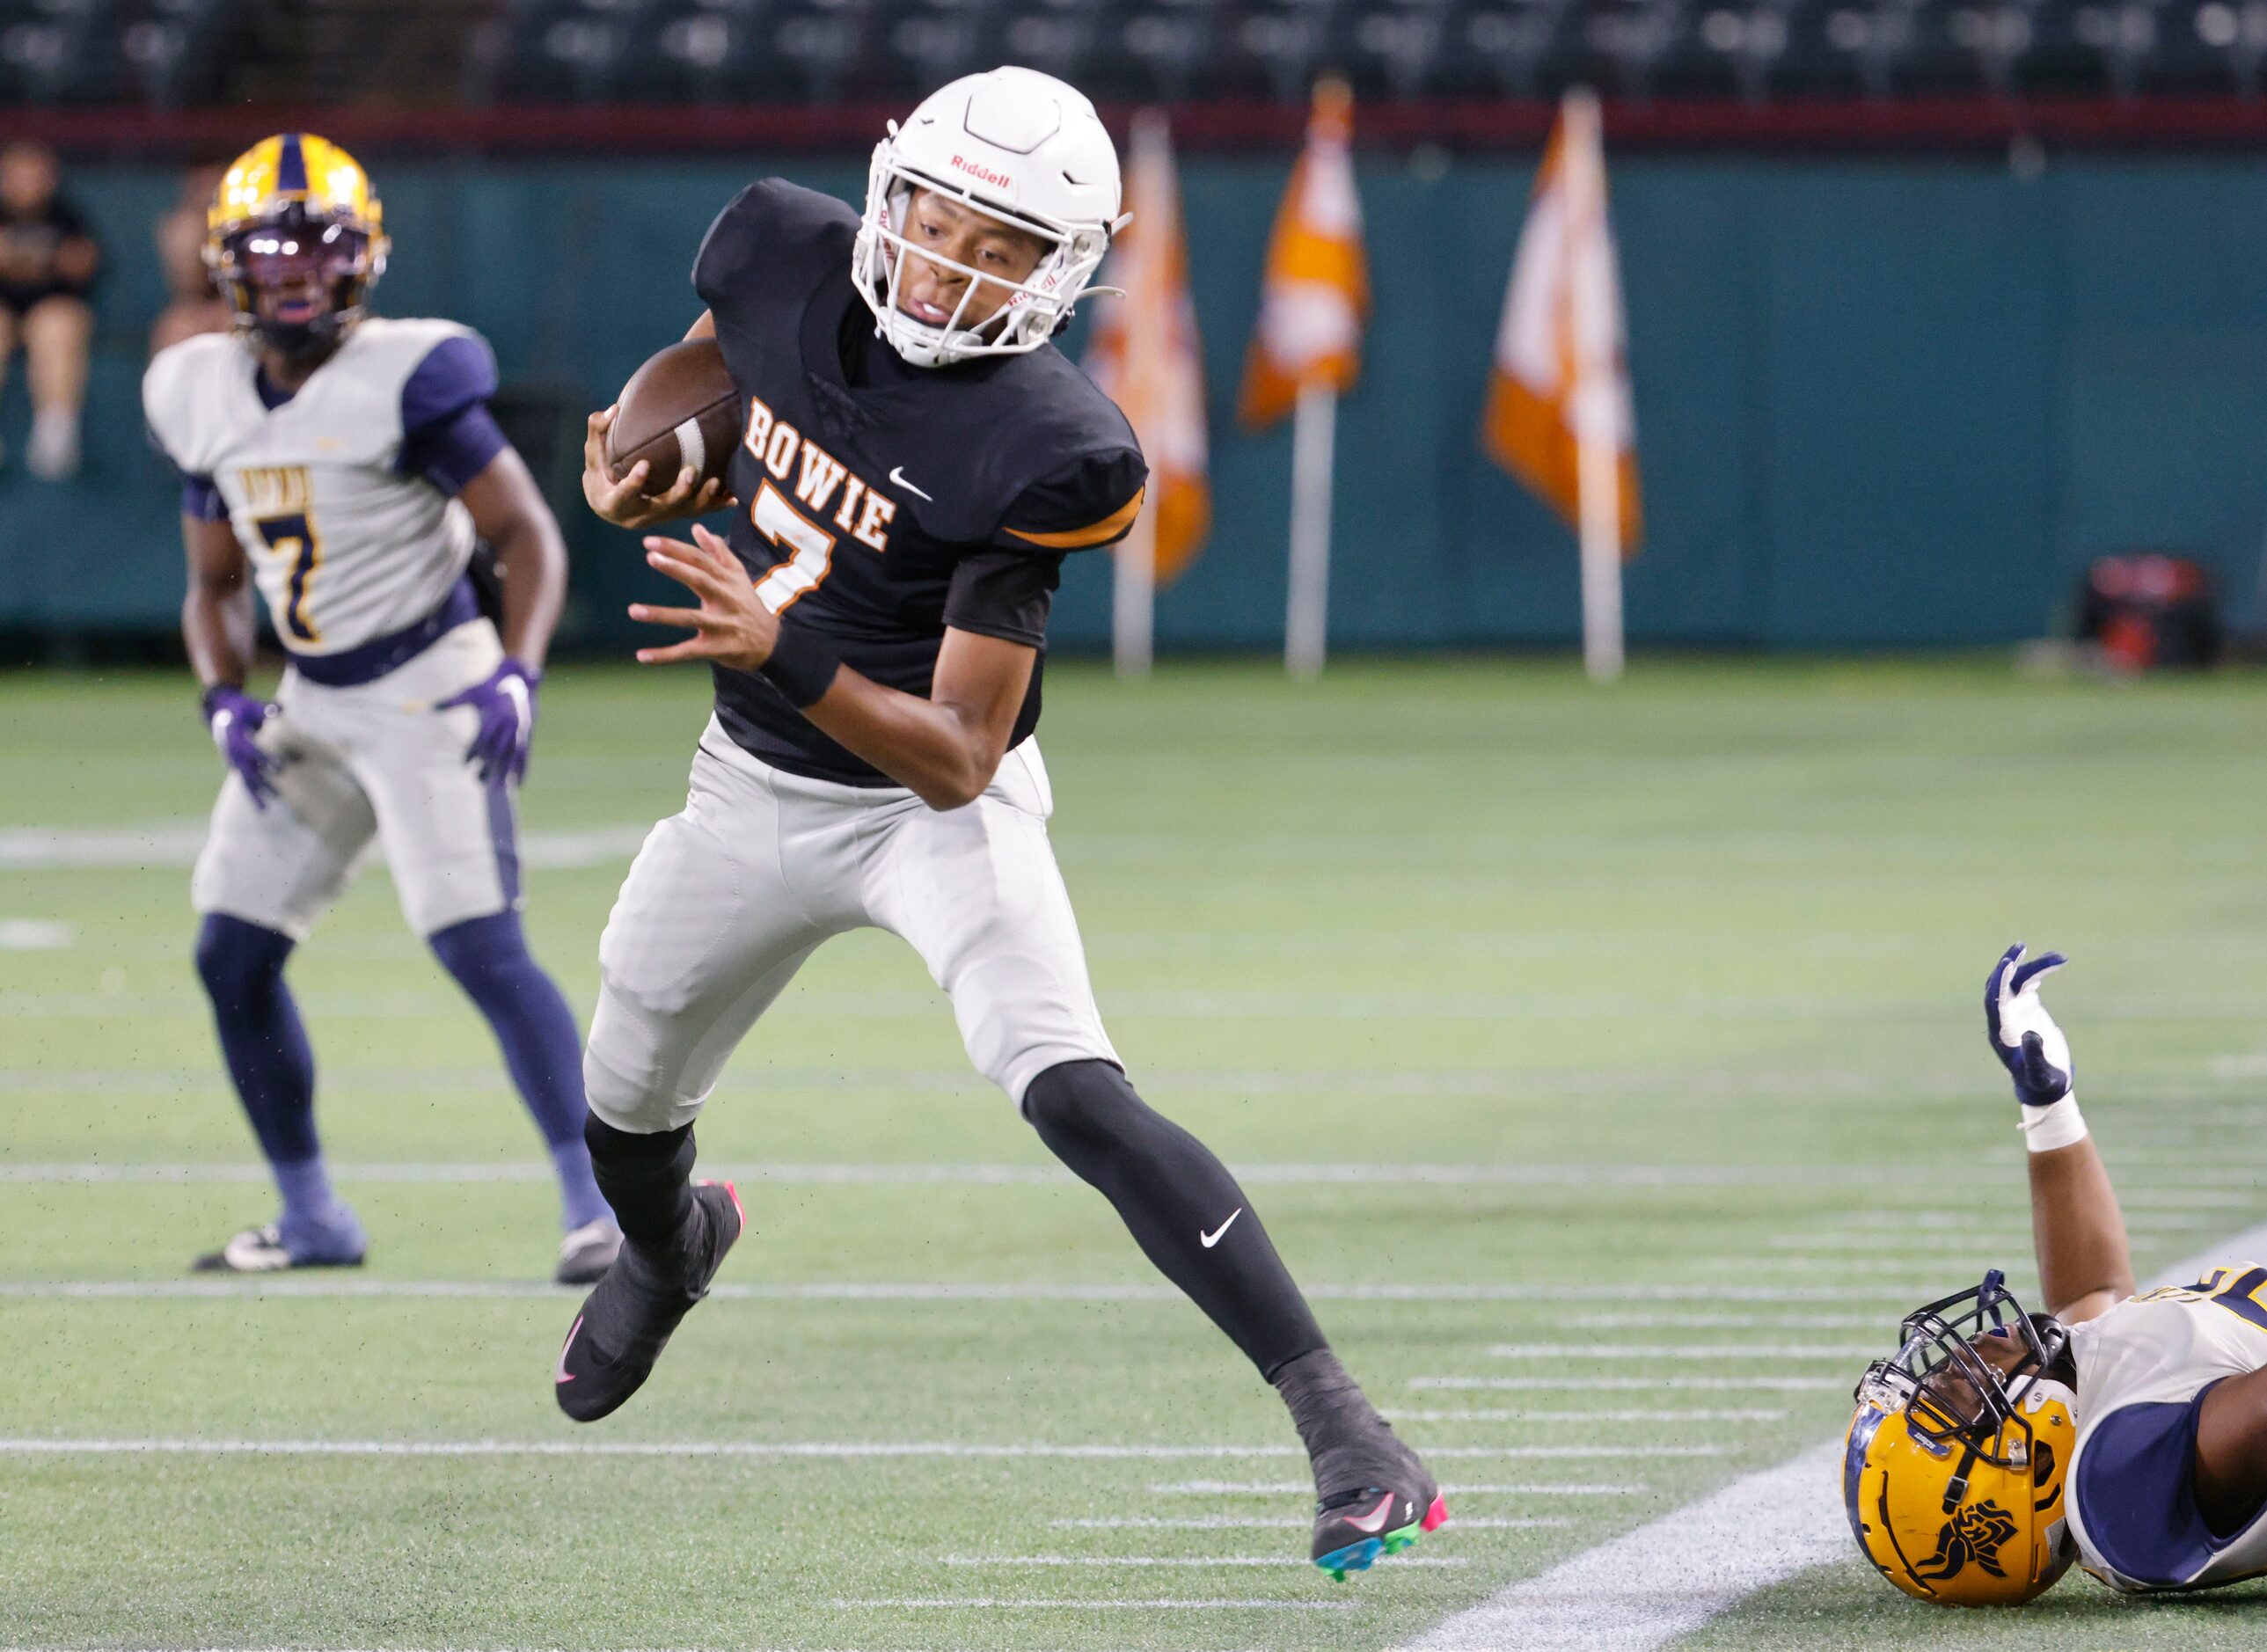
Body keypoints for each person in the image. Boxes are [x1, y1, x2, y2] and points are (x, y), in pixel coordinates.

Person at [553, 65, 1446, 1581]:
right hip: (747, 782)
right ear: (886, 190)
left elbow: (959, 755)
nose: (955, 265)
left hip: (920, 806)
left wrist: (788, 650)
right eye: (940, 224)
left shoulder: (1049, 442)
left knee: (1074, 1088)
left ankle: (1345, 1423)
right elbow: (713, 364)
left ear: (1064, 273)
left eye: (1005, 248)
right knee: (623, 1108)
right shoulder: (775, 247)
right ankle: (670, 1245)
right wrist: (636, 458)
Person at [142, 134, 619, 1284]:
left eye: (320, 249)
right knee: (231, 954)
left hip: (429, 677)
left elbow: (527, 535)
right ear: (226, 265)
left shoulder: (411, 371)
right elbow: (213, 583)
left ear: (364, 260)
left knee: (476, 940)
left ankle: (601, 1209)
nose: (296, 274)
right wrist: (221, 696)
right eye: (271, 251)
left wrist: (515, 668)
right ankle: (312, 1217)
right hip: (312, 694)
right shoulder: (197, 385)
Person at [1844, 944, 2267, 1602]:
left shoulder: (2099, 1407)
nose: (1959, 1360)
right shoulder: (2120, 1481)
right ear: (2023, 1470)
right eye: (1952, 1396)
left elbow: (2092, 1296)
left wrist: (2048, 1107)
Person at [0, 141, 99, 479]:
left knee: (58, 322)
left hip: (49, 312)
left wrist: (17, 257)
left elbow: (83, 262)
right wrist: (43, 258)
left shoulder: (66, 214)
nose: (26, 183)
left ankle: (56, 433)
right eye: (17, 173)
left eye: (35, 173)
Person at [149, 164, 233, 357]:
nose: (209, 194)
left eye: (215, 186)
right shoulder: (183, 228)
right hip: (198, 306)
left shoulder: (250, 223)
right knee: (176, 328)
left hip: (242, 307)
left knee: (231, 324)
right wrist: (199, 234)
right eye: (201, 187)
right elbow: (189, 290)